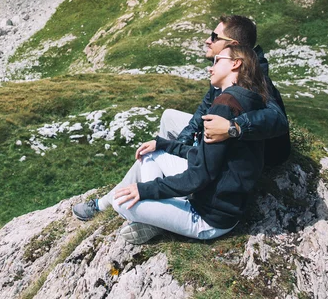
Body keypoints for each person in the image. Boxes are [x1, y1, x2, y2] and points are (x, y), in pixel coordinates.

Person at [72, 15, 290, 221]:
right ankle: (165, 185)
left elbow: (278, 119)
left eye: (214, 37)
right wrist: (178, 144)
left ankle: (111, 202)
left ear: (231, 45)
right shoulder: (224, 72)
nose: (208, 40)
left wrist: (233, 128)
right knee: (168, 119)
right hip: (231, 144)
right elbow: (202, 111)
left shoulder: (254, 74)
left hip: (251, 155)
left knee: (159, 155)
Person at [113, 44, 269, 244]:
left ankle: (160, 220)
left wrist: (146, 189)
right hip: (222, 204)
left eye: (217, 60)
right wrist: (164, 145)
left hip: (208, 218)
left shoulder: (225, 106)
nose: (210, 68)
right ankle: (161, 213)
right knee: (151, 154)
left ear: (236, 64)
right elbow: (205, 156)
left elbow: (199, 176)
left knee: (120, 202)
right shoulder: (249, 101)